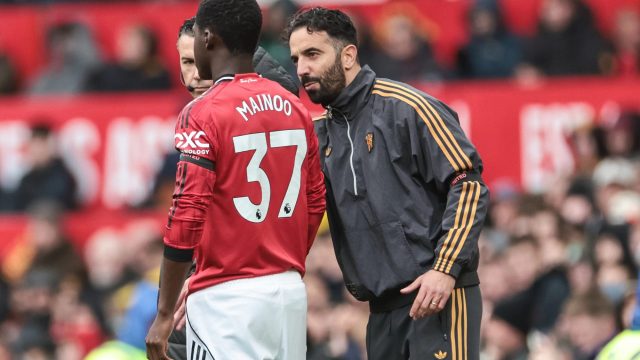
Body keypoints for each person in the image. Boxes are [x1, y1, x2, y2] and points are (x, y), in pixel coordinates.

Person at [286, 8, 489, 360]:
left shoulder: (408, 107)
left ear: (348, 55)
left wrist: (445, 269)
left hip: (439, 295)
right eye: (296, 58)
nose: (302, 68)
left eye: (312, 54)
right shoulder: (317, 133)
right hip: (380, 311)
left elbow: (468, 182)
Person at [145, 0, 326, 359]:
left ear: (207, 37)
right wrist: (282, 260)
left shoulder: (203, 111)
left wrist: (164, 314)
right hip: (288, 292)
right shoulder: (294, 107)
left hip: (227, 299)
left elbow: (187, 210)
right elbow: (315, 199)